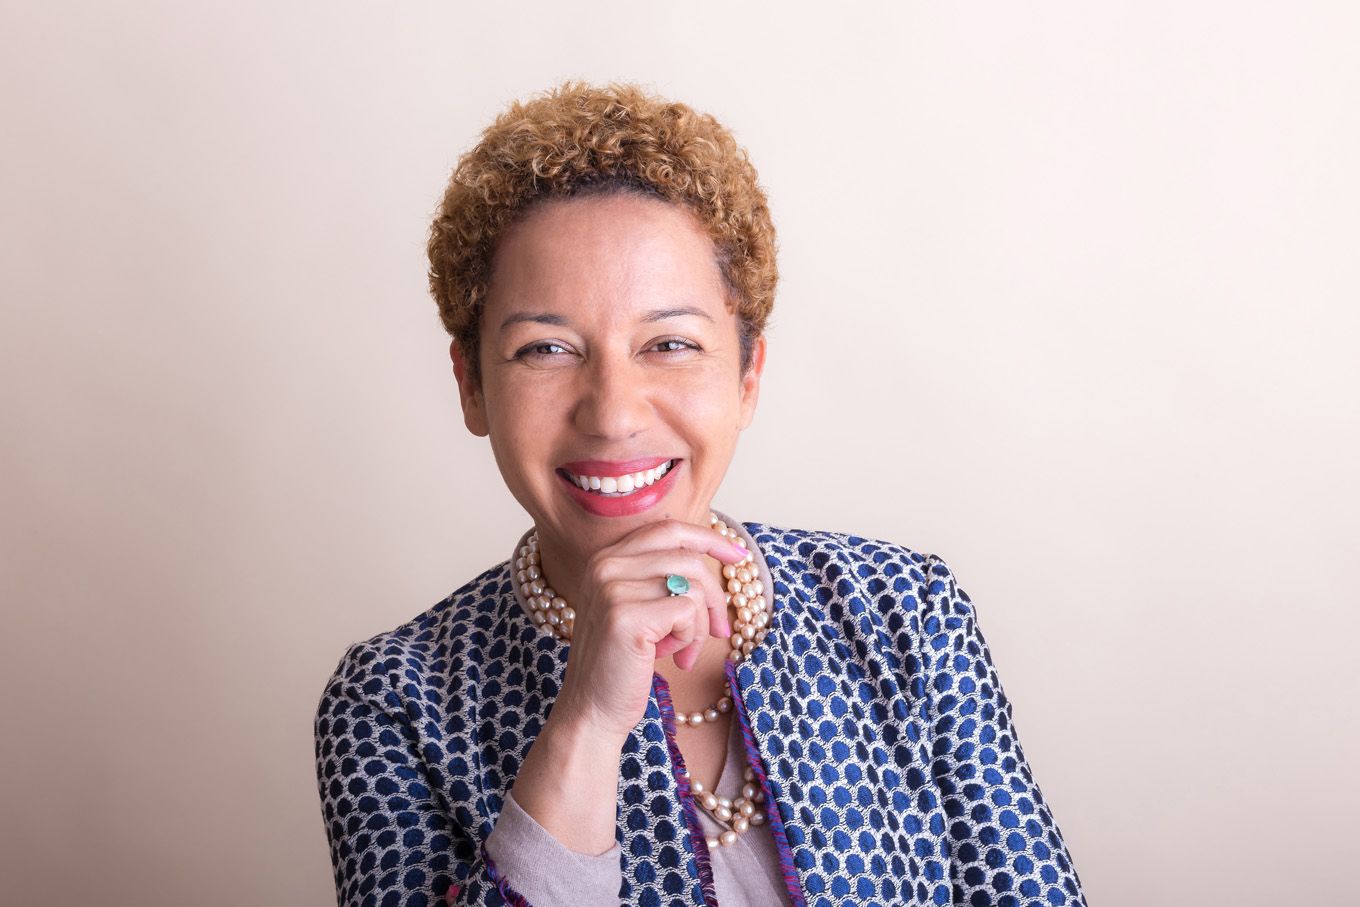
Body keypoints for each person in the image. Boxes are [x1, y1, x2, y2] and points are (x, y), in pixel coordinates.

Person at [314, 81, 1087, 907]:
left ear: (749, 377)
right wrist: (584, 726)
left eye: (671, 343)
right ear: (471, 386)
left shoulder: (904, 614)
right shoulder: (395, 701)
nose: (612, 414)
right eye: (546, 349)